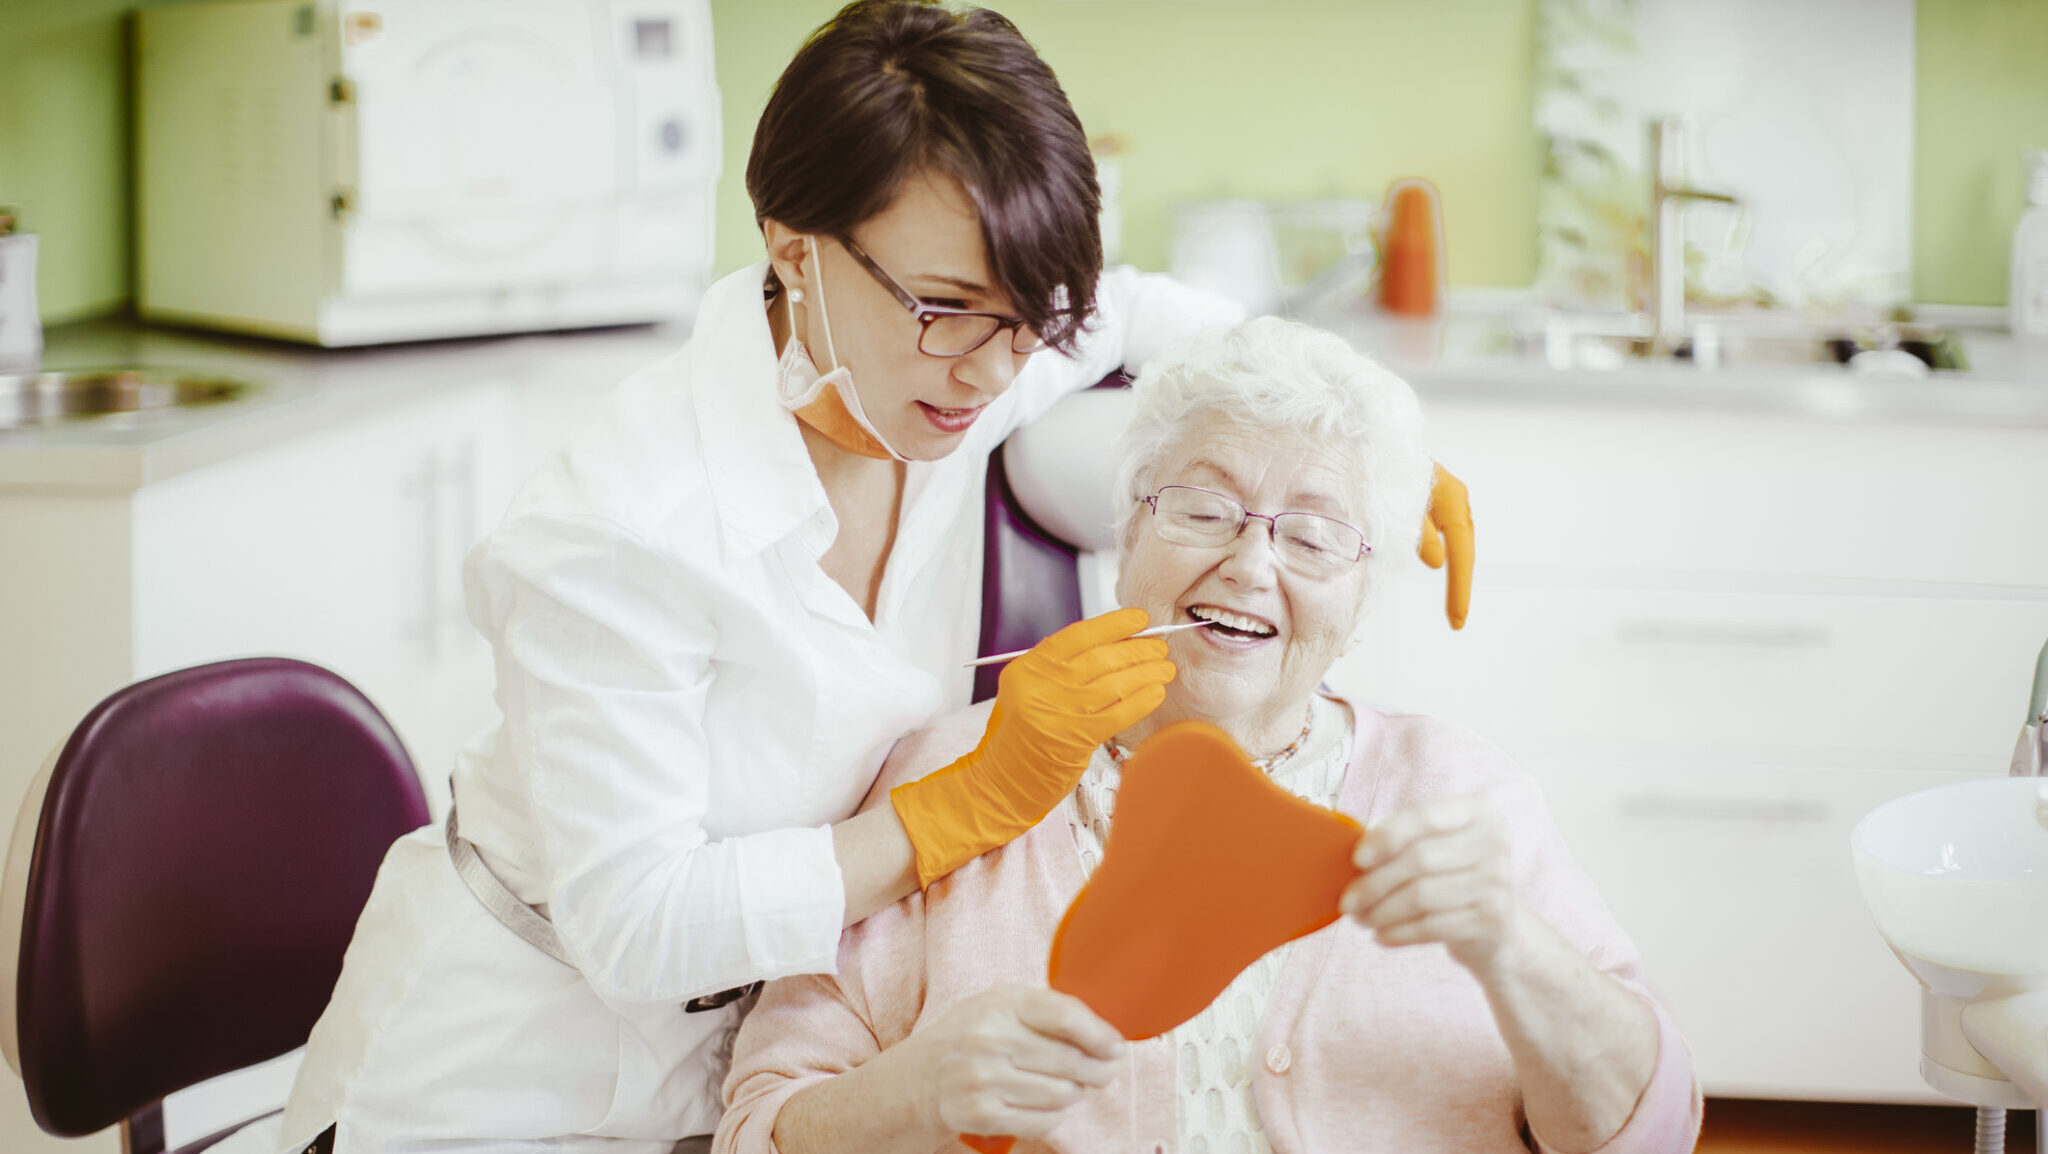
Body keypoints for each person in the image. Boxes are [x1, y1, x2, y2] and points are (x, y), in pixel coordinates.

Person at [258, 4, 1475, 1153]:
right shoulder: (617, 529)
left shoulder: (948, 369)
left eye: (1023, 318)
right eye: (946, 308)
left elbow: (1140, 316)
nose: (991, 371)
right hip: (513, 1079)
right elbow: (635, 925)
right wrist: (960, 805)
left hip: (747, 1066)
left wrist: (1380, 447)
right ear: (792, 244)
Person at [716, 317, 1697, 1154]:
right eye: (1202, 507)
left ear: (1359, 602)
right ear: (1125, 537)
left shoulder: (1458, 793)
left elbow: (1649, 1129)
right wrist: (912, 1094)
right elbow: (755, 1124)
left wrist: (1506, 942)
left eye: (1313, 534)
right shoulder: (945, 774)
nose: (1248, 562)